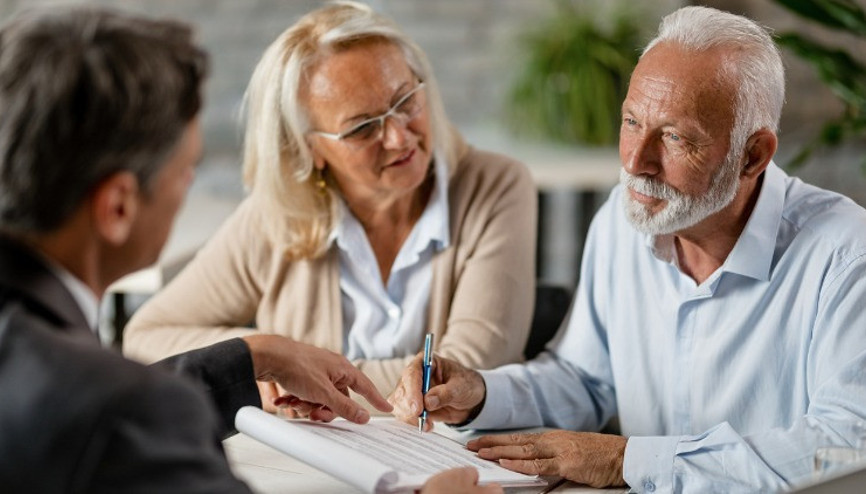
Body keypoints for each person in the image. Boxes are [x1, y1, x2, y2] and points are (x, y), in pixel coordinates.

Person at [0, 7, 500, 494]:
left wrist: (253, 356)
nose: (191, 185)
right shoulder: (129, 415)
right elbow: (119, 403)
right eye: (186, 171)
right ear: (117, 208)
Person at [389, 5, 866, 492]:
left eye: (675, 137)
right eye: (632, 121)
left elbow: (845, 447)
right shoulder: (622, 220)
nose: (637, 161)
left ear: (753, 155)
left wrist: (629, 461)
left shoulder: (847, 256)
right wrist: (482, 393)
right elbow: (585, 379)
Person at [122, 0, 537, 411]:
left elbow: (469, 374)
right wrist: (264, 357)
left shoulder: (496, 185)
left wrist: (305, 376)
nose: (399, 137)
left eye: (406, 100)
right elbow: (146, 336)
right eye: (362, 127)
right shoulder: (278, 215)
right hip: (309, 465)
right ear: (309, 149)